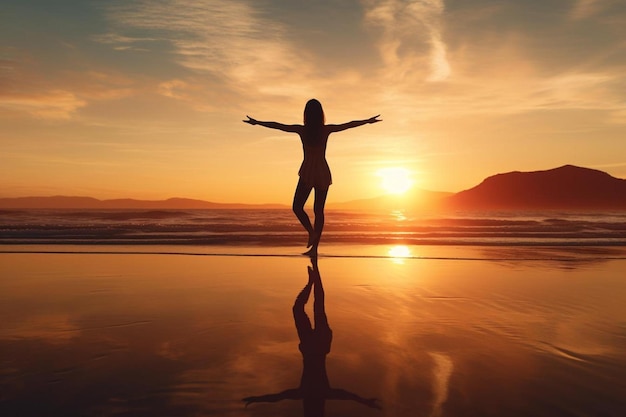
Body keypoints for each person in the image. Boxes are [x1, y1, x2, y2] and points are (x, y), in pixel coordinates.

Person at [242, 259, 381, 415]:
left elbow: (279, 397)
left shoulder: (313, 393)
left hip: (313, 346)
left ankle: (312, 279)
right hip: (316, 346)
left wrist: (257, 399)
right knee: (314, 306)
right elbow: (345, 395)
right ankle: (313, 277)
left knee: (310, 306)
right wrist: (364, 401)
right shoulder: (312, 393)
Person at [244, 99, 381, 256]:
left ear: (306, 114)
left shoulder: (303, 130)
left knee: (298, 206)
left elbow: (279, 126)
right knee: (318, 211)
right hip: (322, 171)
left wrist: (257, 122)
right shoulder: (325, 130)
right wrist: (368, 121)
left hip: (309, 170)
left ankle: (312, 235)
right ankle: (314, 245)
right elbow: (348, 125)